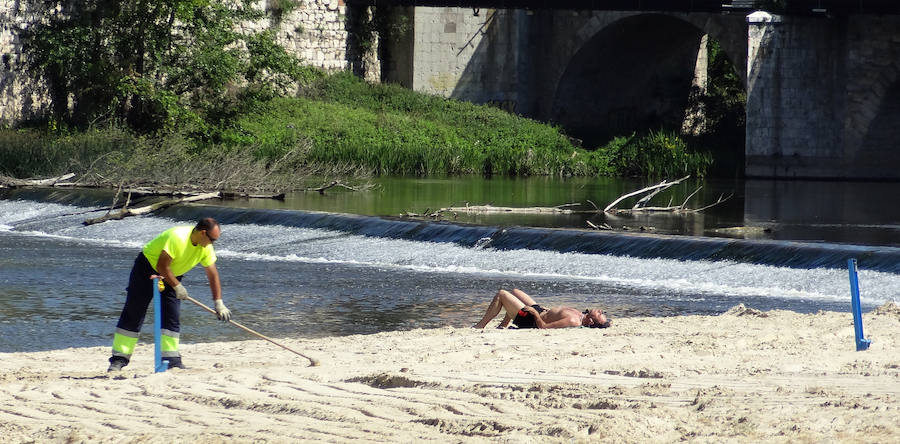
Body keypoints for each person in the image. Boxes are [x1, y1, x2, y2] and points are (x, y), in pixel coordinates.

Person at [107, 217, 231, 371]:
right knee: (134, 312)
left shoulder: (206, 247)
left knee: (172, 315)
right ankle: (119, 359)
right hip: (147, 268)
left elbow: (213, 275)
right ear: (203, 233)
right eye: (212, 239)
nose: (213, 243)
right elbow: (161, 265)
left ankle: (171, 360)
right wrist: (178, 287)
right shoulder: (177, 237)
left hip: (172, 274)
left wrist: (218, 302)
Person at [473, 288, 610, 329]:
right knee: (515, 291)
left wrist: (534, 312)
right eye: (601, 312)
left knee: (502, 294)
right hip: (539, 311)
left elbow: (544, 327)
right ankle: (503, 324)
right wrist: (545, 310)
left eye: (600, 314)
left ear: (591, 322)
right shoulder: (580, 314)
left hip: (528, 319)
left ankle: (480, 325)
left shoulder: (574, 321)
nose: (600, 311)